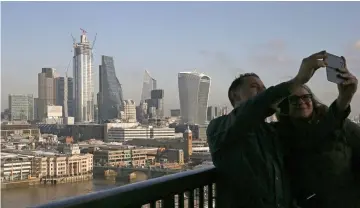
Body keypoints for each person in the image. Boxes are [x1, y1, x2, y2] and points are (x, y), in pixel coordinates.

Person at [206, 51, 354, 208]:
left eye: (264, 88)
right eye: (255, 87)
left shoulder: (271, 132)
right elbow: (248, 112)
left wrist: (343, 101)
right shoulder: (219, 128)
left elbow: (314, 136)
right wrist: (297, 81)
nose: (262, 91)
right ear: (234, 95)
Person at [275, 60, 359, 208]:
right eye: (293, 99)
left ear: (313, 101)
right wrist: (341, 103)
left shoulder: (343, 126)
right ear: (285, 107)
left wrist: (343, 101)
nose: (301, 102)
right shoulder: (279, 134)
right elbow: (311, 138)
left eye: (306, 97)